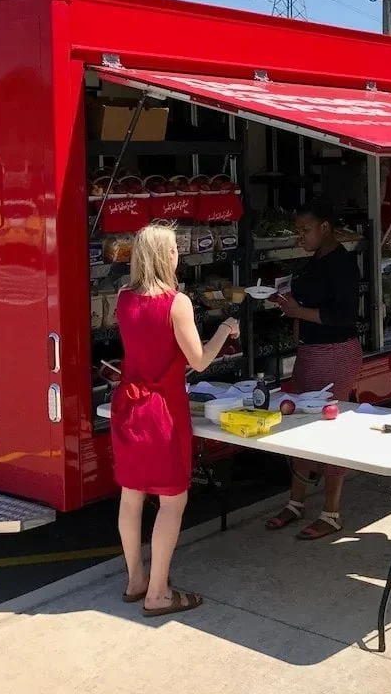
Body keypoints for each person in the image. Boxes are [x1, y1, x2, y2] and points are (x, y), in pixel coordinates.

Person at [112, 223, 240, 616]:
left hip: (128, 407)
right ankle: (158, 593)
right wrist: (224, 330)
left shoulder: (122, 298)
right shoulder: (176, 302)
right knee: (172, 501)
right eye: (173, 250)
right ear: (164, 256)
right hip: (162, 411)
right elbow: (199, 360)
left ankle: (136, 579)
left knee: (131, 496)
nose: (177, 255)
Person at [266, 200, 363, 539]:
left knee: (330, 431)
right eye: (297, 231)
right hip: (308, 353)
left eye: (304, 230)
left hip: (336, 354)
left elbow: (344, 316)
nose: (299, 237)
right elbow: (302, 303)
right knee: (300, 428)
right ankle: (296, 502)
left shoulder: (343, 265)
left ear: (325, 227)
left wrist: (298, 312)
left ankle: (332, 512)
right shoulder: (313, 263)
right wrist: (284, 303)